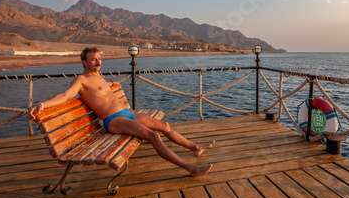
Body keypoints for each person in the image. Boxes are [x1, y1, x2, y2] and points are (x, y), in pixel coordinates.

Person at [28, 47, 214, 176]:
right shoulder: (81, 80)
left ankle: (195, 147)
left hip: (126, 113)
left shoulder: (98, 75)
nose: (98, 61)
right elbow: (64, 95)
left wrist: (111, 85)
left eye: (99, 58)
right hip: (113, 120)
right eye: (93, 59)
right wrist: (42, 105)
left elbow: (102, 91)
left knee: (164, 125)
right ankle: (190, 168)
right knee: (153, 136)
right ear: (84, 62)